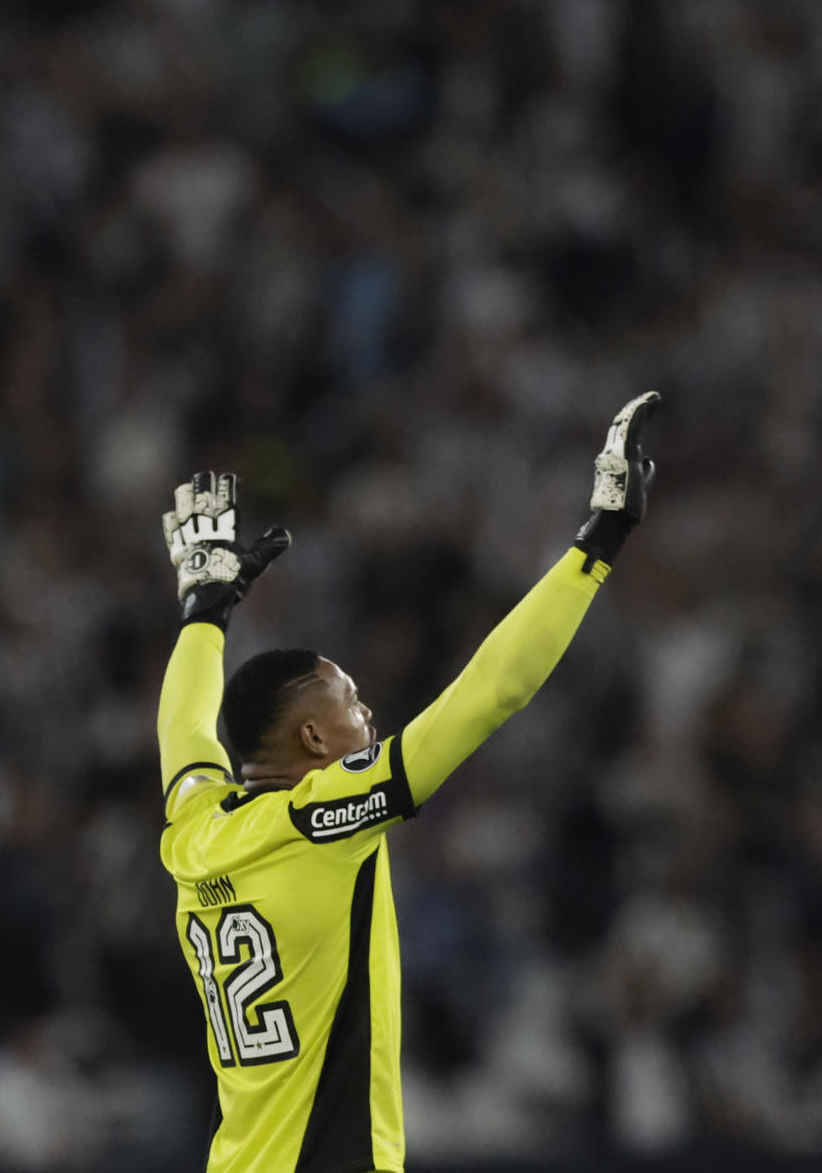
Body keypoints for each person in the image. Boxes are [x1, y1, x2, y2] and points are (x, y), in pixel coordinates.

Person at [154, 393, 660, 1173]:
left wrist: (202, 615)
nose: (369, 714)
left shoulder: (197, 825)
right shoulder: (320, 820)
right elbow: (492, 692)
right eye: (350, 701)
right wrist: (597, 543)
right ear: (313, 738)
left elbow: (184, 732)